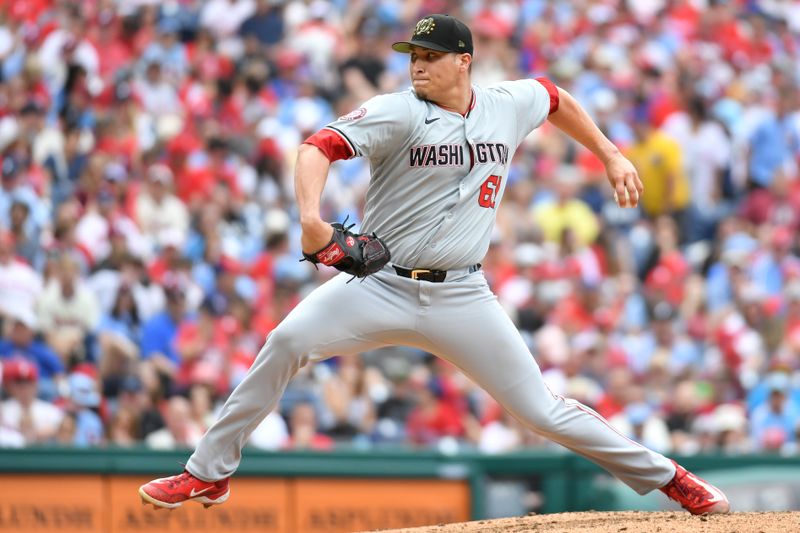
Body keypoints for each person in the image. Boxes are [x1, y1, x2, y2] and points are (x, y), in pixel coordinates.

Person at [139, 14, 729, 515]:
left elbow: (553, 97)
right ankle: (208, 471)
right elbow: (316, 147)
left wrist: (609, 153)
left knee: (541, 411)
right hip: (381, 283)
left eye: (431, 56)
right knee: (287, 339)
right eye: (413, 56)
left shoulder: (506, 104)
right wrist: (311, 220)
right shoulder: (400, 111)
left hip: (463, 295)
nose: (417, 65)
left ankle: (670, 478)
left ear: (464, 61)